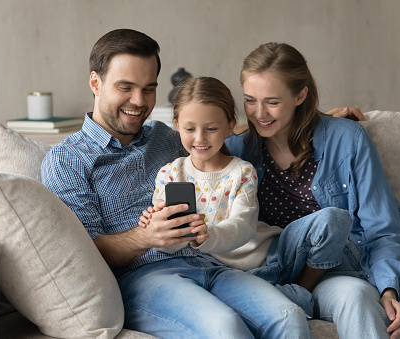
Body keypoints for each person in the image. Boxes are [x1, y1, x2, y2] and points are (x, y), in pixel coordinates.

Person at [42, 29, 323, 339]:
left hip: (208, 262)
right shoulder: (68, 159)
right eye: (126, 87)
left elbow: (213, 134)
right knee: (224, 328)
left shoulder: (163, 136)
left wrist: (309, 122)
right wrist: (145, 236)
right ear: (95, 82)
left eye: (149, 88)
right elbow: (83, 252)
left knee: (289, 317)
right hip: (144, 280)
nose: (139, 101)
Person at [225, 42, 400, 339]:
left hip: (399, 252)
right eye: (250, 100)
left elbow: (384, 228)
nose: (259, 113)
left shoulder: (347, 139)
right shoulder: (238, 154)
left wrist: (388, 289)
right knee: (357, 301)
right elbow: (193, 142)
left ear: (300, 95)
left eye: (272, 102)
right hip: (331, 272)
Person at [141, 76, 353, 317]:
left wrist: (208, 234)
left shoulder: (241, 171)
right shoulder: (170, 174)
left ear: (229, 126)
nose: (200, 138)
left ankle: (304, 288)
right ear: (177, 124)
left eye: (211, 128)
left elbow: (243, 225)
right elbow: (173, 246)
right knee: (290, 309)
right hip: (239, 277)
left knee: (335, 219)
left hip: (276, 252)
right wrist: (156, 228)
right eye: (190, 129)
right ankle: (294, 297)